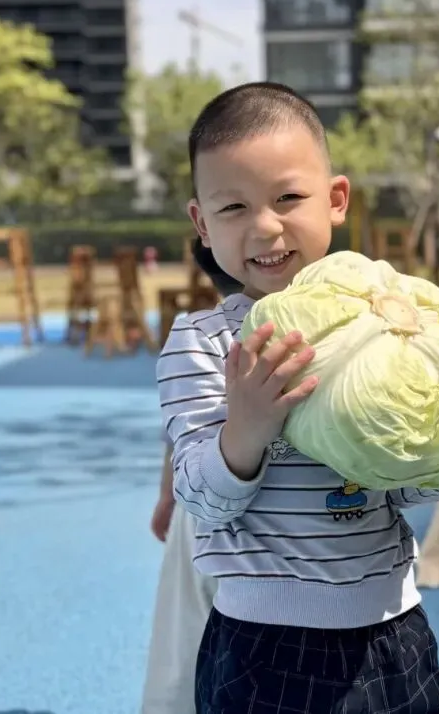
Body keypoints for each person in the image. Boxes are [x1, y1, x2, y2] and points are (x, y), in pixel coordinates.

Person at [158, 82, 439, 713]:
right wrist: (245, 428)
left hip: (393, 633)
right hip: (262, 647)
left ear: (335, 200)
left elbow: (402, 489)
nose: (265, 226)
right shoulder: (203, 343)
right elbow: (200, 501)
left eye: (287, 198)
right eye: (234, 207)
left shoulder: (383, 326)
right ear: (202, 224)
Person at [141, 253, 243, 714]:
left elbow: (179, 429)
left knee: (186, 636)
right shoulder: (202, 334)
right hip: (228, 506)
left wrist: (167, 495)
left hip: (200, 505)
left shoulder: (198, 336)